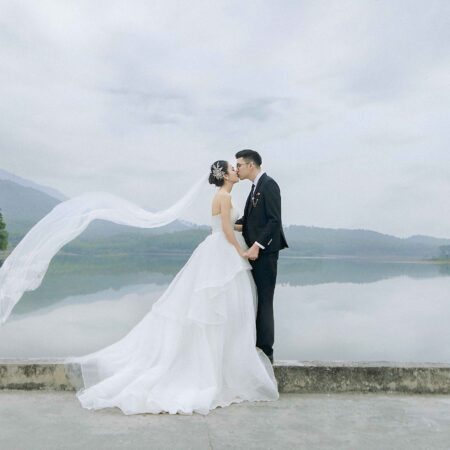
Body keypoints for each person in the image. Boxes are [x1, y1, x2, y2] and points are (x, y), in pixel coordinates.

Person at [234, 150, 288, 364]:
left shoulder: (269, 185)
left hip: (265, 254)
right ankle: (254, 345)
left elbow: (274, 221)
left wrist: (257, 245)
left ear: (251, 165)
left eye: (239, 165)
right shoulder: (255, 187)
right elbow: (251, 220)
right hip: (253, 253)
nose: (236, 169)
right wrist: (226, 226)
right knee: (254, 299)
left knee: (265, 300)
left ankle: (266, 351)